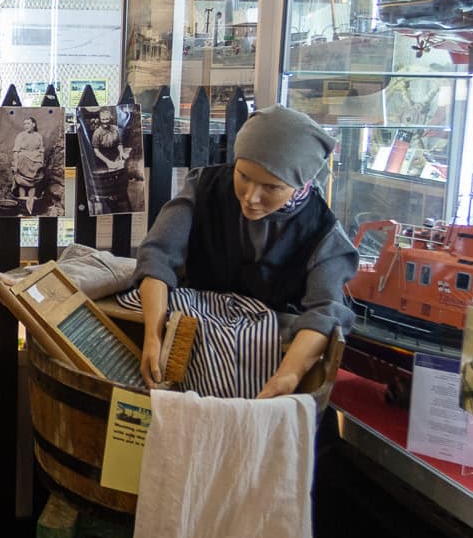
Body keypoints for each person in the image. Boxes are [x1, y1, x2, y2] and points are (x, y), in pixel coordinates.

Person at [134, 105, 358, 398]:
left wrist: (289, 375)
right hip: (186, 345)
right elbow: (157, 256)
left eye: (271, 187)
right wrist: (153, 336)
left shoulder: (322, 233)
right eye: (243, 176)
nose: (251, 197)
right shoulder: (203, 189)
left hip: (267, 359)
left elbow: (326, 310)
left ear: (299, 184)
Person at [7, 114, 50, 216]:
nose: (26, 125)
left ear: (33, 124)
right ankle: (23, 206)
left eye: (28, 123)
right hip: (22, 162)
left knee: (33, 183)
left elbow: (41, 151)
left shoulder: (38, 136)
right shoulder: (20, 136)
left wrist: (41, 162)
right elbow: (16, 150)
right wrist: (16, 163)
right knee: (22, 182)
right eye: (24, 124)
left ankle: (31, 206)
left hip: (35, 163)